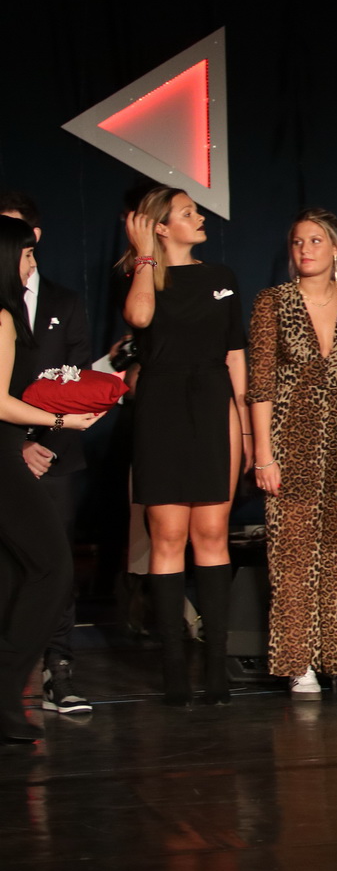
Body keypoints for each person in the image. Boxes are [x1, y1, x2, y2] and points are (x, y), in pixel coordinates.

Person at [248, 209, 337, 699]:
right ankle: (299, 663)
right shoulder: (272, 302)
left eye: (315, 240)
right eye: (297, 242)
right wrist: (264, 455)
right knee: (292, 557)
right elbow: (260, 385)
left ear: (335, 248)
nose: (305, 249)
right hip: (291, 442)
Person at [121, 187, 248, 705]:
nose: (199, 217)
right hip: (162, 407)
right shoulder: (145, 275)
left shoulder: (222, 276)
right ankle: (174, 667)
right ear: (161, 226)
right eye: (187, 212)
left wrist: (247, 430)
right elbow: (139, 318)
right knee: (168, 535)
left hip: (214, 402)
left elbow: (236, 354)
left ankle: (216, 667)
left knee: (212, 531)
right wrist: (144, 256)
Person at [0, 217, 103, 742]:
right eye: (25, 256)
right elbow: (0, 402)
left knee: (15, 574)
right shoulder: (2, 315)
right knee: (53, 567)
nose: (32, 265)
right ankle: (6, 688)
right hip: (4, 457)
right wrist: (64, 421)